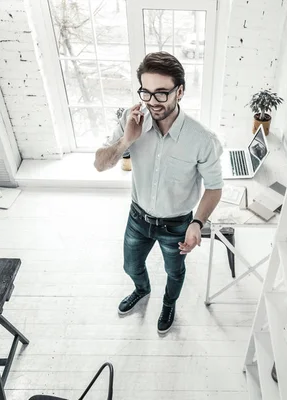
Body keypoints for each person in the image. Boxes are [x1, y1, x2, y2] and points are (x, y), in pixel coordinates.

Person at [94, 52, 224, 334]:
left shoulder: (203, 140)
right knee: (131, 266)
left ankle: (168, 303)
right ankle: (142, 290)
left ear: (180, 91)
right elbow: (100, 164)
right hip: (138, 218)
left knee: (174, 272)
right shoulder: (132, 120)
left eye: (162, 93)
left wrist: (197, 223)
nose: (152, 101)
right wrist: (127, 140)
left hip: (177, 224)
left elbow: (214, 187)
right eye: (146, 92)